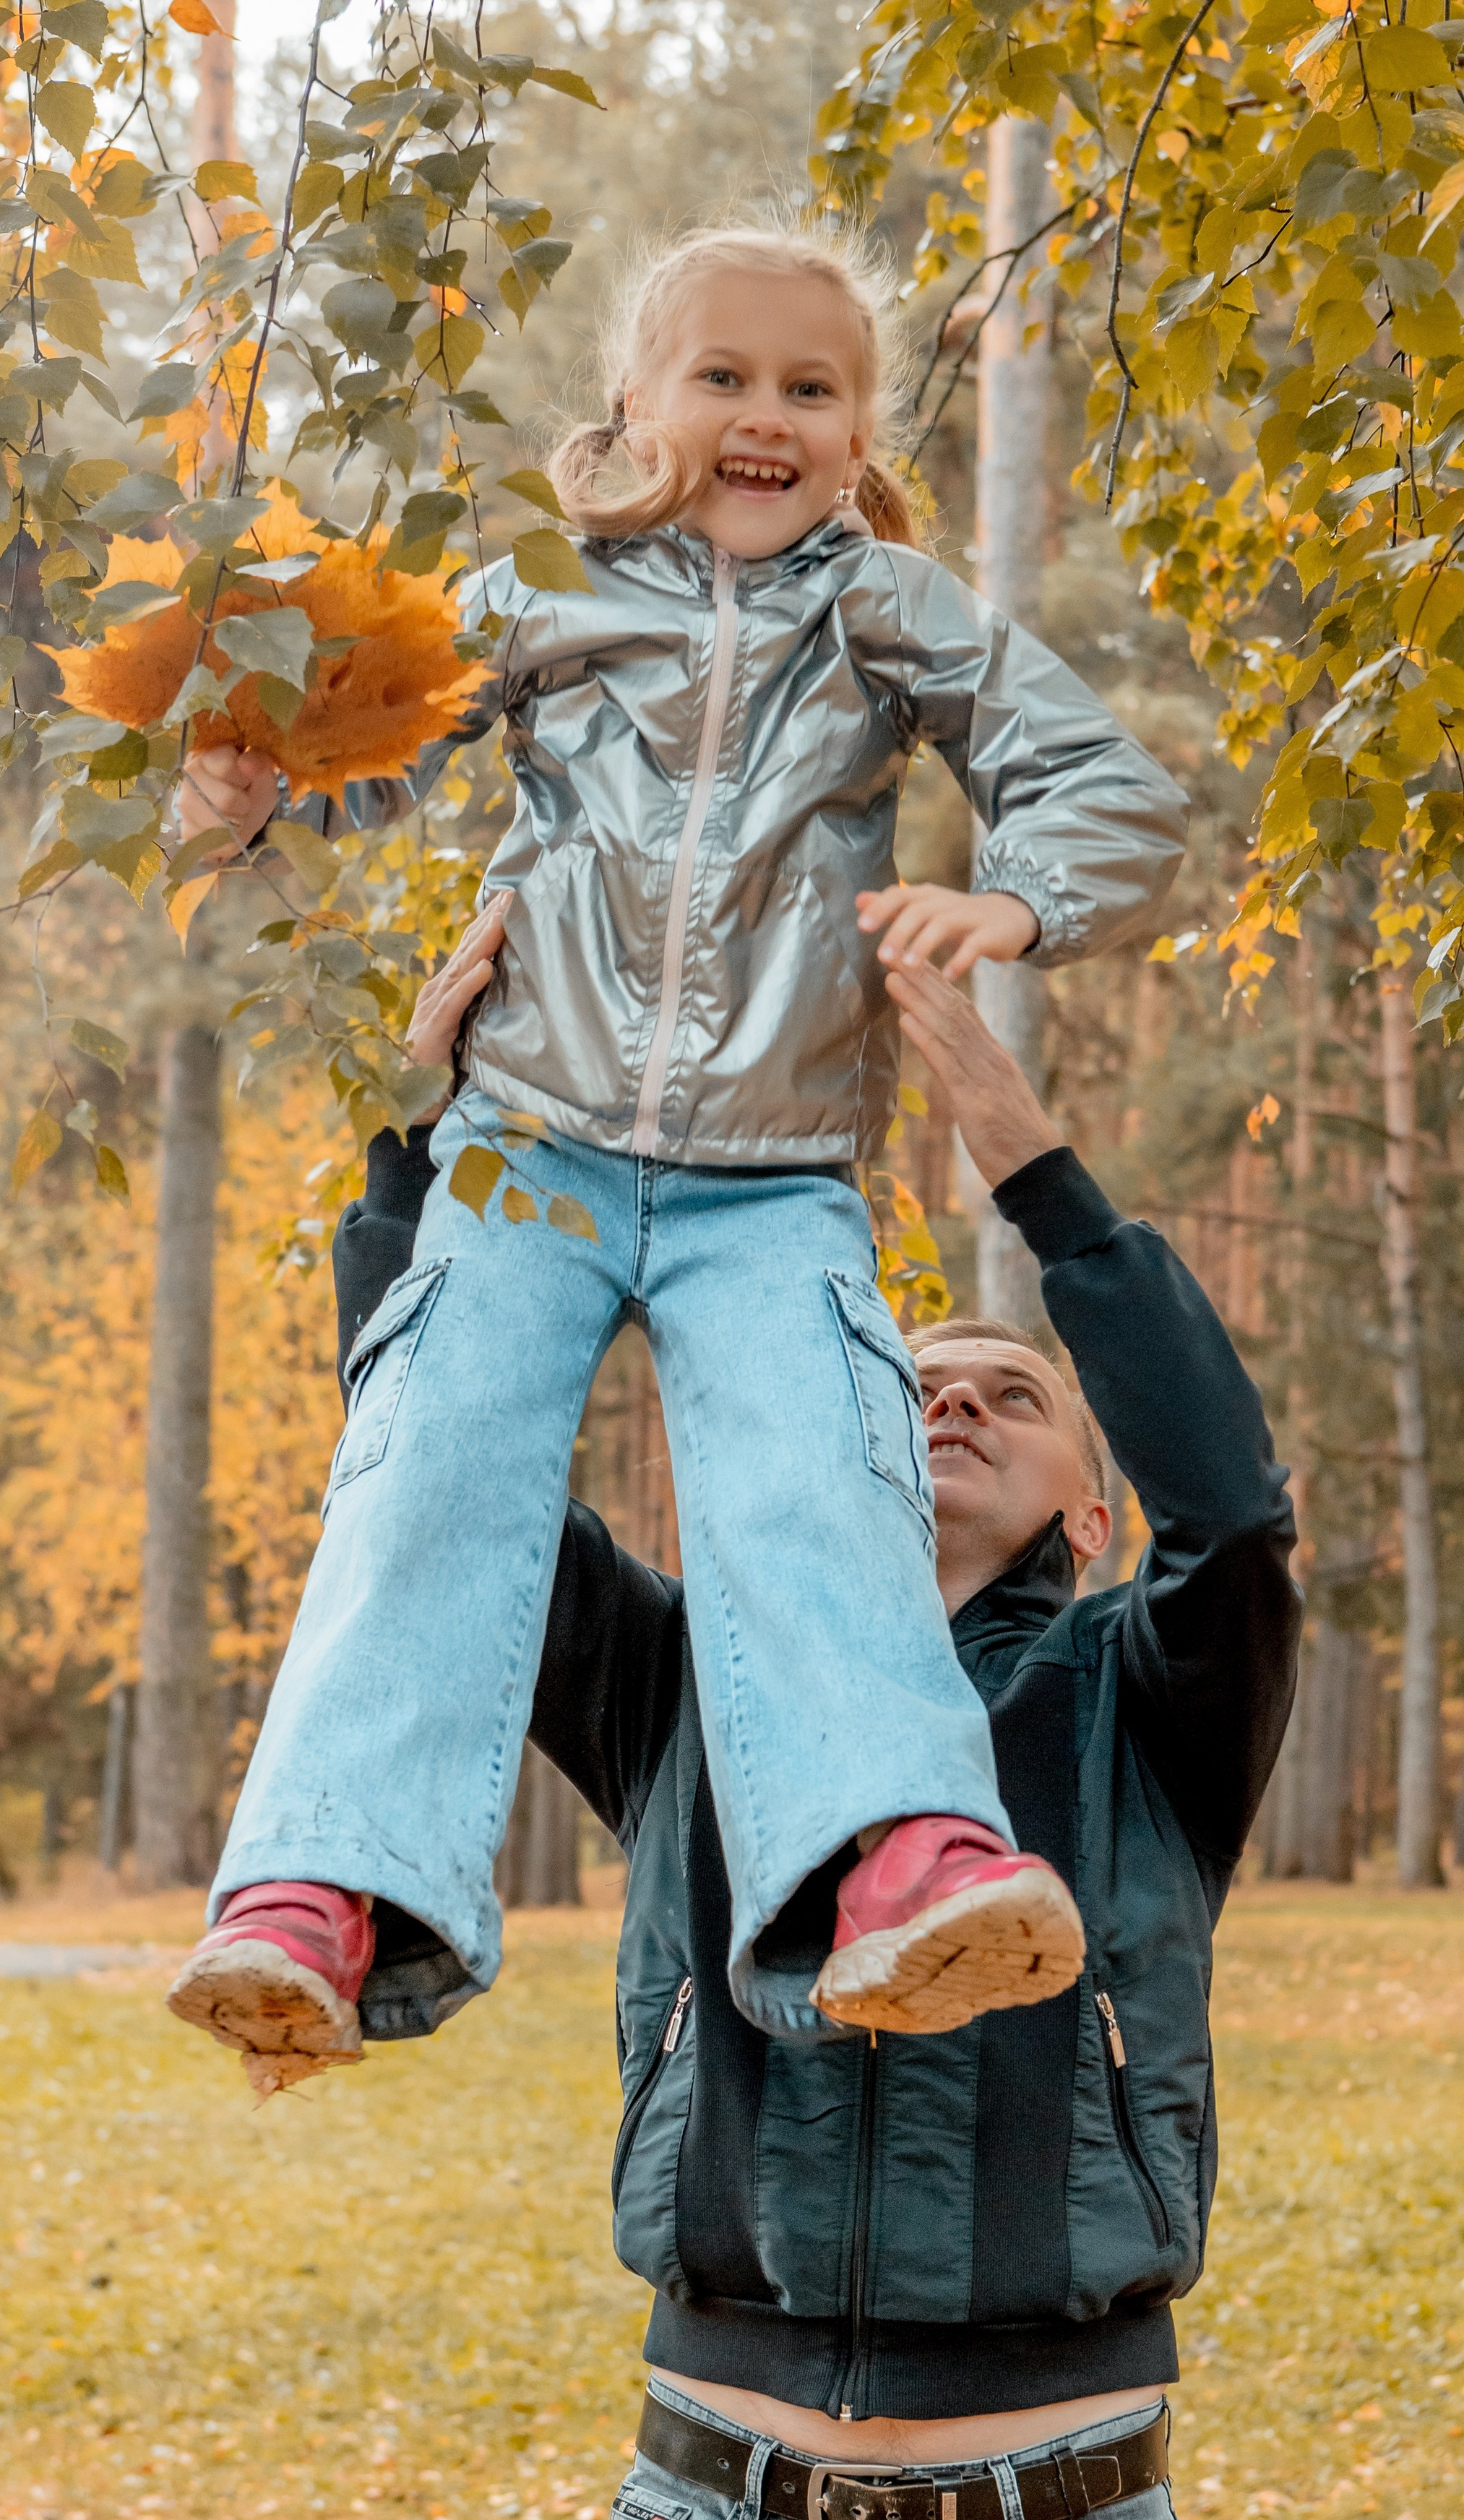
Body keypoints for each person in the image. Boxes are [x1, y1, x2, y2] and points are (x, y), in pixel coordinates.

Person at [163, 215, 1189, 2086]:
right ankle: (323, 1888)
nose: (765, 415)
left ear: (861, 426)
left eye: (813, 387)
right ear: (636, 403)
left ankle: (903, 1857)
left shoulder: (887, 608)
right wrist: (237, 789)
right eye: (723, 376)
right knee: (436, 1460)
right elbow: (336, 744)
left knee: (823, 1476)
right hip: (523, 1147)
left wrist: (1018, 910)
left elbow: (1102, 779)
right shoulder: (535, 591)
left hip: (777, 1171)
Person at [328, 957, 1300, 2520]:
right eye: (911, 1386)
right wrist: (427, 1161)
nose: (947, 1404)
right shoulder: (683, 1685)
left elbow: (1235, 1515)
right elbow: (442, 1488)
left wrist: (1032, 1171)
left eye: (1005, 1394)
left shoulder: (1145, 1704)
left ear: (1090, 1517)